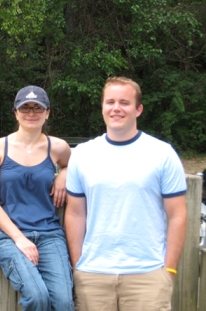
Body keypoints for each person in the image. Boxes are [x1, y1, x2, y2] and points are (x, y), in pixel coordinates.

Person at [65, 76, 187, 311]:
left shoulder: (162, 154)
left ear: (138, 109)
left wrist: (168, 269)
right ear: (102, 107)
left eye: (124, 102)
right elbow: (75, 214)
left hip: (147, 275)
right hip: (93, 275)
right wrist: (79, 264)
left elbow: (177, 215)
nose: (116, 108)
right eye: (110, 102)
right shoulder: (82, 154)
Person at [0, 85, 74, 311]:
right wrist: (19, 238)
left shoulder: (58, 147)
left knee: (64, 302)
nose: (31, 113)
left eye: (37, 108)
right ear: (15, 112)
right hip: (7, 236)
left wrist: (64, 172)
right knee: (37, 296)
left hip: (49, 233)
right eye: (25, 108)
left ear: (47, 113)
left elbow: (73, 163)